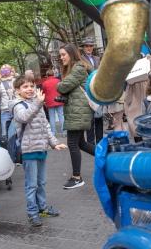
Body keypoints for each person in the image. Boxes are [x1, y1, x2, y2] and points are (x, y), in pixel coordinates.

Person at [9, 75, 67, 227]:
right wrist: (37, 103)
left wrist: (54, 143)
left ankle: (42, 207)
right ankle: (32, 212)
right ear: (17, 90)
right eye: (25, 87)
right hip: (29, 150)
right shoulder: (17, 105)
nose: (29, 89)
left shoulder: (37, 103)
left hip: (42, 149)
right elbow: (24, 117)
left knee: (41, 182)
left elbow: (46, 126)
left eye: (31, 86)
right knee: (32, 184)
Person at [56, 43, 95, 189]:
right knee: (81, 143)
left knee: (73, 143)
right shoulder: (77, 68)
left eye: (63, 54)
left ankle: (77, 178)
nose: (61, 58)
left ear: (72, 54)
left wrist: (61, 85)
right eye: (60, 55)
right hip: (77, 110)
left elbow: (61, 86)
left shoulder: (78, 68)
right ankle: (107, 158)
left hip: (78, 111)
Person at [80, 37, 103, 145]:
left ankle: (100, 142)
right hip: (87, 90)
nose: (89, 48)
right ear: (83, 48)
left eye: (91, 46)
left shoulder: (97, 58)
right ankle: (90, 143)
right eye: (87, 46)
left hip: (98, 90)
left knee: (99, 116)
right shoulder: (80, 59)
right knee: (90, 118)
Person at [125, 54, 151, 142]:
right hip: (133, 89)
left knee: (147, 114)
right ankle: (138, 142)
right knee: (133, 117)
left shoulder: (144, 56)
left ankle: (150, 140)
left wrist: (149, 61)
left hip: (145, 87)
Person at [0, 64, 19, 140]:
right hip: (5, 111)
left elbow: (23, 84)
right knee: (5, 133)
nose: (6, 72)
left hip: (17, 108)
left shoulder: (15, 80)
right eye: (3, 70)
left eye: (7, 70)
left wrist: (15, 74)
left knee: (19, 130)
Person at [42, 69, 66, 137]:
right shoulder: (58, 81)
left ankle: (53, 133)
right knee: (61, 116)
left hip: (49, 102)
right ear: (53, 74)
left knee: (52, 117)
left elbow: (43, 92)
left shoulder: (45, 83)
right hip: (58, 100)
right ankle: (64, 132)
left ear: (47, 75)